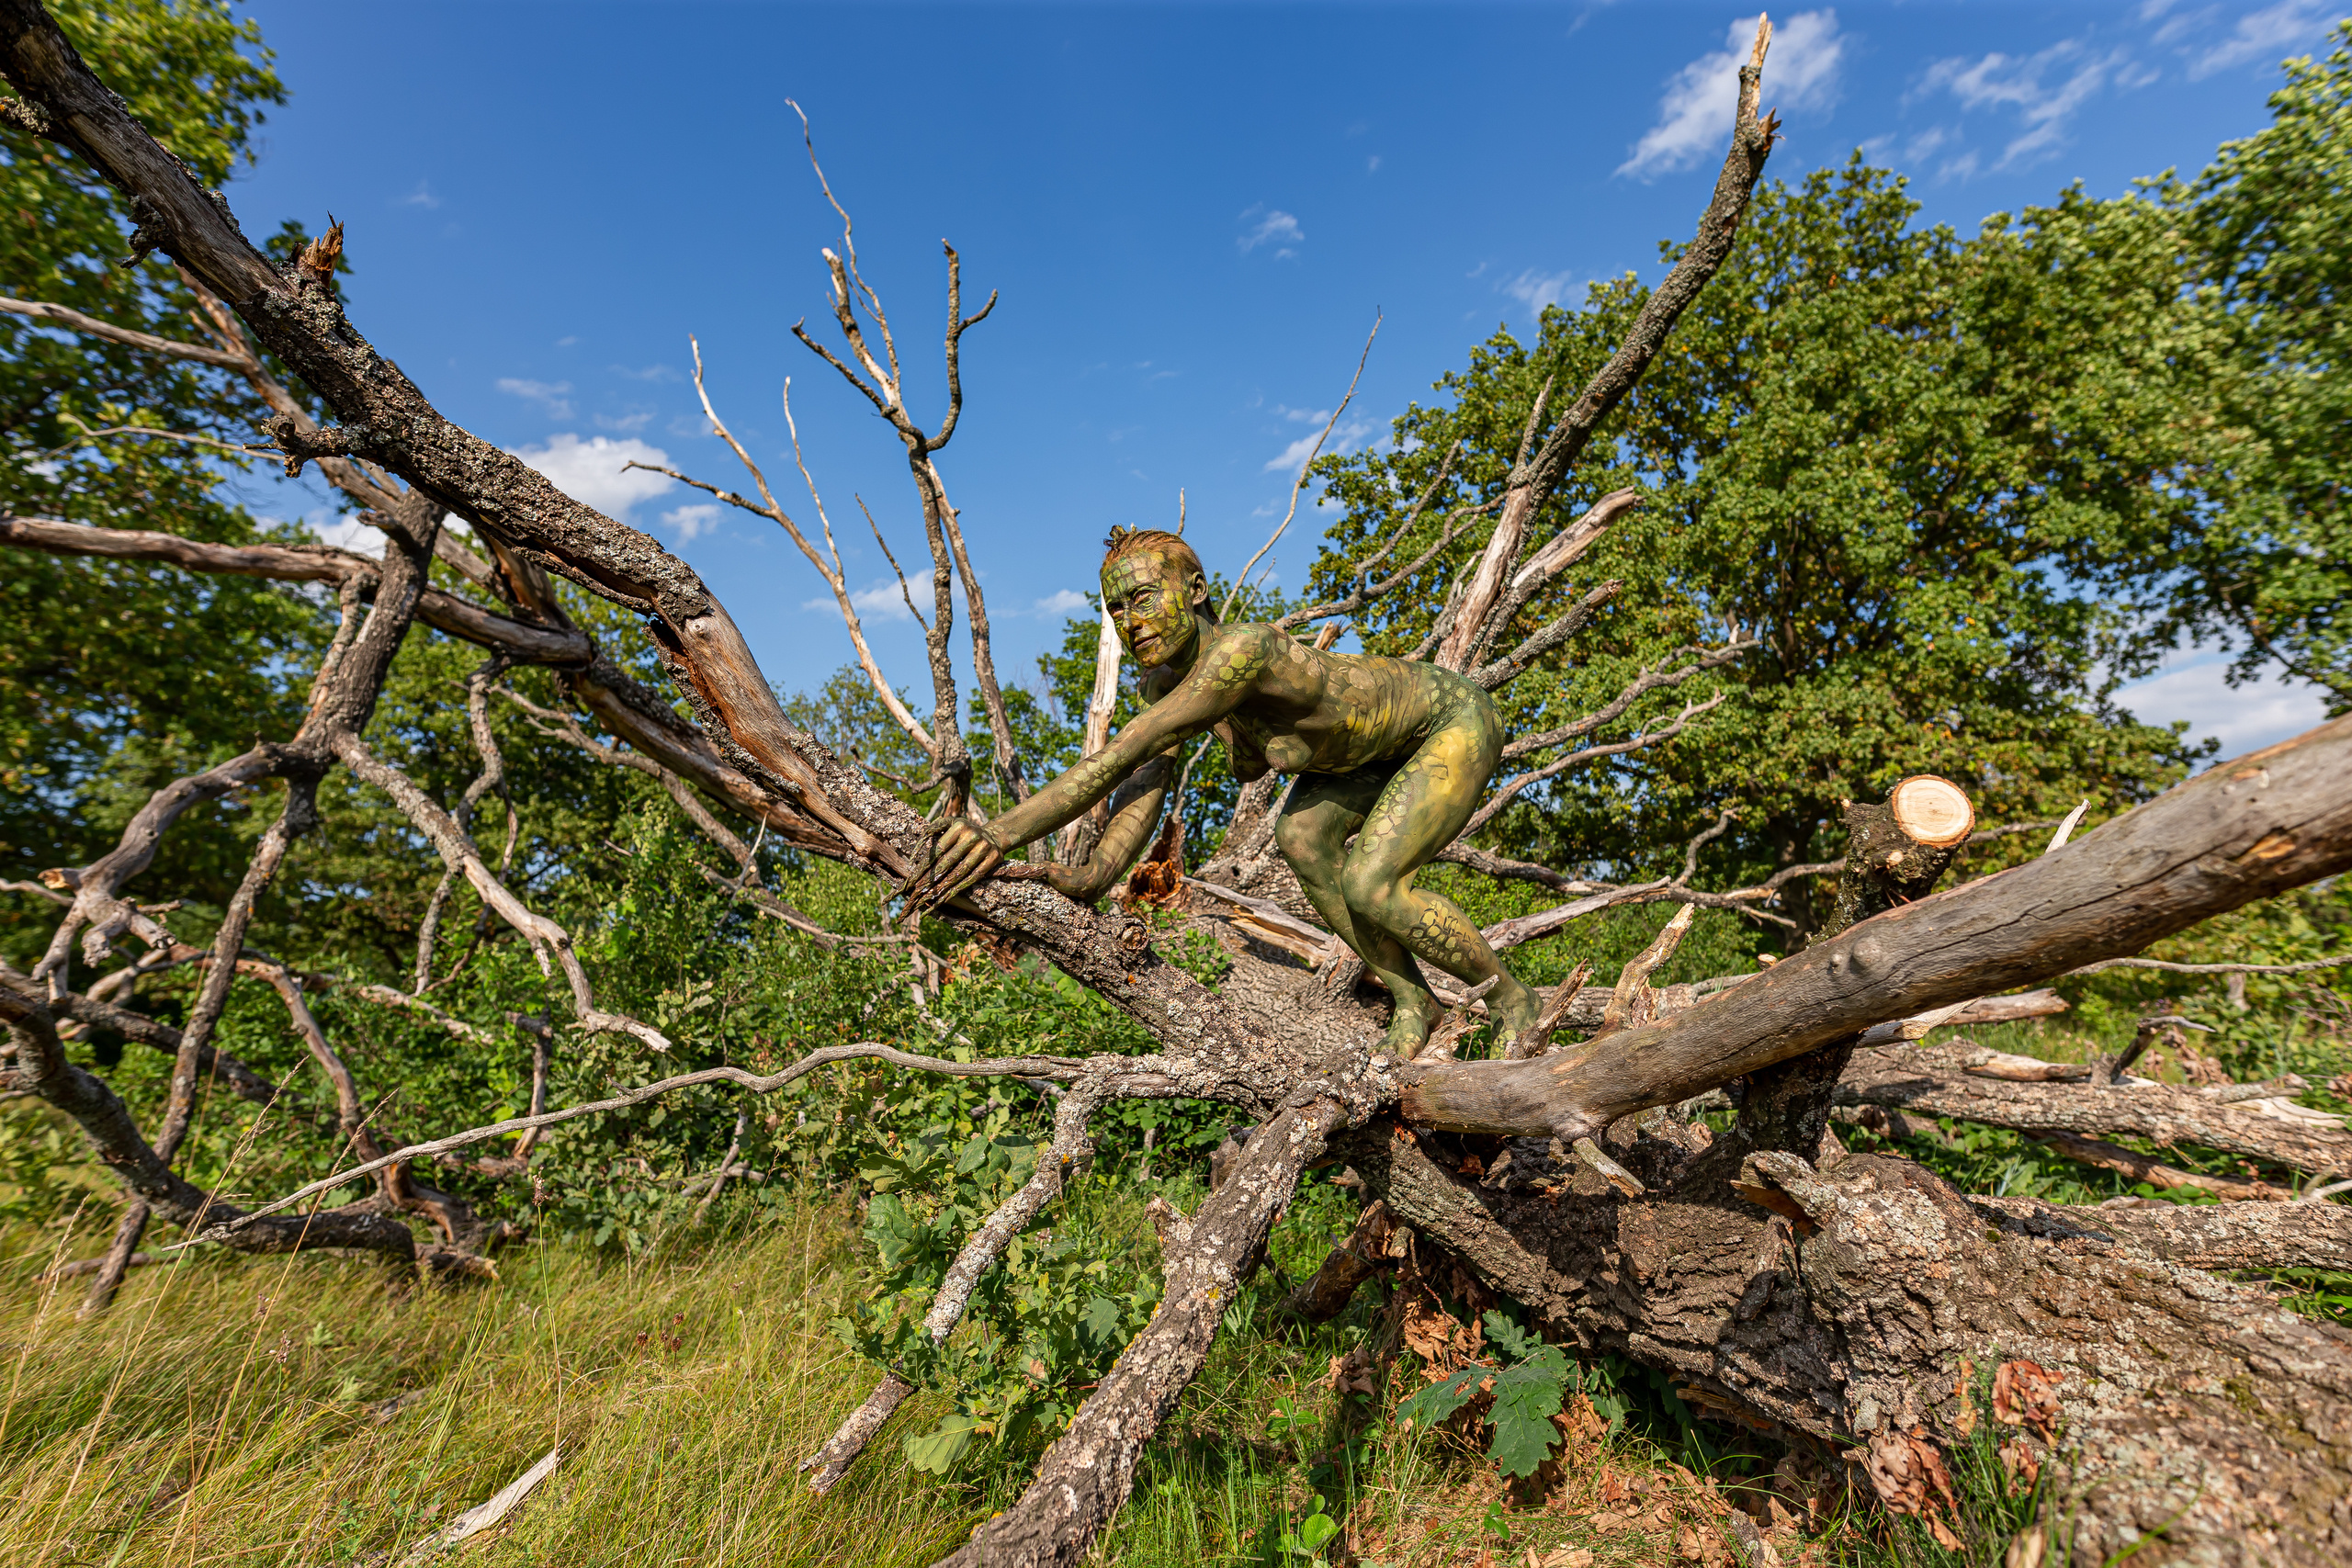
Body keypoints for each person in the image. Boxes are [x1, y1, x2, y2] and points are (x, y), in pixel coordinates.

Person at [919, 526, 1539, 1057]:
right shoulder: (1164, 686)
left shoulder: (1245, 650)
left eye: (1143, 598)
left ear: (1195, 590)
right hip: (1360, 761)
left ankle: (1514, 1001)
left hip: (1451, 722)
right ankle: (1414, 1000)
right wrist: (1097, 875)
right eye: (1116, 611)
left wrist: (997, 833)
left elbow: (1122, 751)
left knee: (1371, 883)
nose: (1131, 623)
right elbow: (1144, 782)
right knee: (1300, 836)